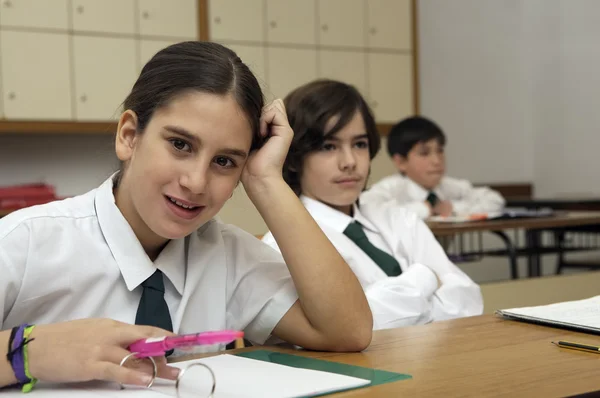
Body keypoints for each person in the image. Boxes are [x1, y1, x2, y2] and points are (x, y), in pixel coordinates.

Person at [0, 43, 372, 391]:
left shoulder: (228, 256)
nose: (196, 182)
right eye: (180, 145)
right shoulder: (27, 242)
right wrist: (29, 352)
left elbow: (347, 331)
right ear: (130, 136)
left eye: (224, 162)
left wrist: (266, 180)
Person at [261, 79, 483, 331]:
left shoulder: (398, 218)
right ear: (292, 158)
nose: (349, 162)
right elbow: (352, 328)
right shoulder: (283, 245)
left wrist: (387, 306)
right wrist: (425, 277)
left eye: (359, 144)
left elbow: (468, 299)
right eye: (328, 146)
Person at [362, 116, 505, 219]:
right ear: (401, 162)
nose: (437, 161)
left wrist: (453, 208)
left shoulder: (448, 186)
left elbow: (495, 201)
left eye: (440, 150)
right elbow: (366, 209)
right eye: (424, 153)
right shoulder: (391, 188)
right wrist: (423, 209)